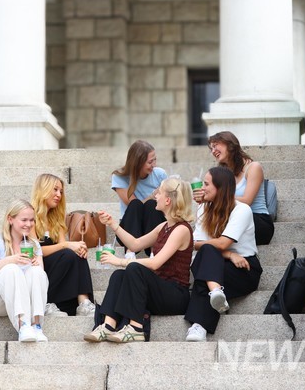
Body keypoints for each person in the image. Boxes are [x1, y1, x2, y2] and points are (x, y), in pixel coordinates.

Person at [84, 177, 194, 343]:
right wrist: (113, 224)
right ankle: (107, 325)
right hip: (158, 291)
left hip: (175, 295)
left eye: (159, 192)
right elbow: (135, 245)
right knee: (118, 276)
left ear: (168, 200)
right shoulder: (163, 227)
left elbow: (155, 263)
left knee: (134, 269)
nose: (155, 195)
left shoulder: (181, 230)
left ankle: (136, 328)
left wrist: (120, 261)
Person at [184, 167, 263, 342]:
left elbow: (222, 243)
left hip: (244, 268)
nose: (201, 188)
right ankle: (216, 292)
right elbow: (194, 244)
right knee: (207, 256)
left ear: (220, 188)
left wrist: (227, 253)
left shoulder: (242, 210)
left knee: (205, 272)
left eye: (206, 184)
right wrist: (228, 254)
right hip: (217, 262)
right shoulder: (203, 209)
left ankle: (199, 325)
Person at [0, 199, 49, 342]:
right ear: (10, 219)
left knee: (37, 272)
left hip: (21, 301)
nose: (29, 224)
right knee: (11, 269)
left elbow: (40, 281)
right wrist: (11, 260)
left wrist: (36, 264)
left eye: (32, 220)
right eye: (24, 220)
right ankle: (23, 326)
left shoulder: (33, 244)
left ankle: (36, 326)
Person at [31, 173, 96, 317]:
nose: (59, 195)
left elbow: (64, 248)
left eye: (60, 191)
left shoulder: (56, 220)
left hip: (57, 271)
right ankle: (46, 302)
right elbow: (35, 251)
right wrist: (67, 245)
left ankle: (84, 302)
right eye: (55, 190)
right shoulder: (30, 217)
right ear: (43, 189)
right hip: (36, 266)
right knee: (68, 252)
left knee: (75, 254)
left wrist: (76, 248)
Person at [194, 131, 274, 245]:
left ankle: (205, 244)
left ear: (230, 144)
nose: (213, 151)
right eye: (211, 148)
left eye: (215, 145)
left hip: (257, 221)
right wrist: (205, 198)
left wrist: (215, 197)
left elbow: (247, 201)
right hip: (232, 218)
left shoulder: (253, 167)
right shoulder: (223, 174)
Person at [111, 140, 167, 257]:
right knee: (136, 204)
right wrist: (152, 195)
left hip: (154, 224)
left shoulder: (160, 174)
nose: (154, 165)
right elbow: (132, 204)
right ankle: (130, 252)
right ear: (137, 163)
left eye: (155, 160)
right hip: (131, 227)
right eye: (150, 162)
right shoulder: (120, 177)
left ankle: (154, 252)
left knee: (152, 205)